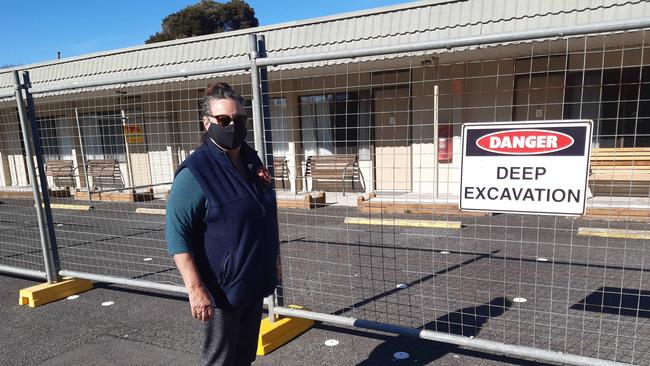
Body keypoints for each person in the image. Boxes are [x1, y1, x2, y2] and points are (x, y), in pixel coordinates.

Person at [165, 82, 279, 366]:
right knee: (221, 362)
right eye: (224, 120)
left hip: (251, 282)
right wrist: (195, 289)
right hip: (221, 290)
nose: (232, 126)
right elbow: (177, 233)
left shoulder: (252, 161)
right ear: (207, 123)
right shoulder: (196, 172)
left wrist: (273, 260)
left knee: (243, 358)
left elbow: (264, 215)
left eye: (238, 119)